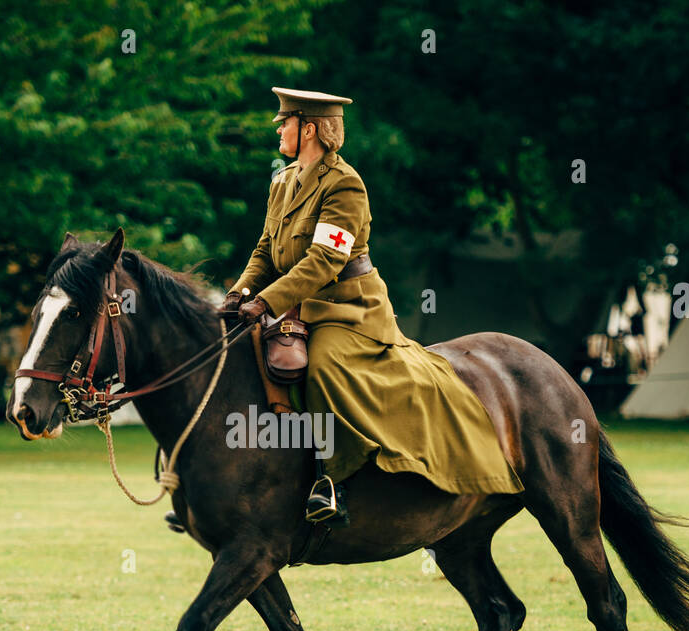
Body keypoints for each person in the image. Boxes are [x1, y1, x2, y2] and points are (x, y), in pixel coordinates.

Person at [166, 86, 522, 534]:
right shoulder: (282, 181)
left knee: (324, 366)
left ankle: (331, 481)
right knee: (234, 356)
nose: (278, 129)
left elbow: (324, 260)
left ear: (309, 128)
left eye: (285, 123)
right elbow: (265, 248)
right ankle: (222, 485)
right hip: (293, 305)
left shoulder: (344, 184)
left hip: (347, 309)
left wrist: (266, 301)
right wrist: (238, 294)